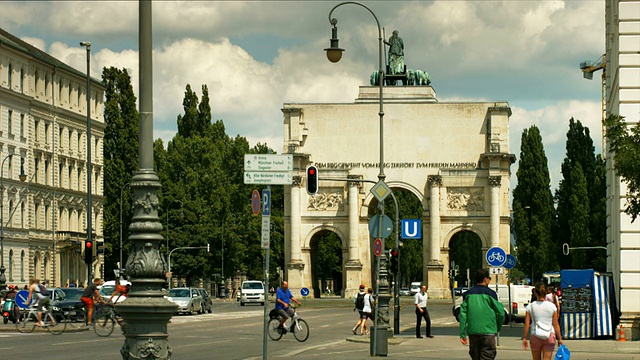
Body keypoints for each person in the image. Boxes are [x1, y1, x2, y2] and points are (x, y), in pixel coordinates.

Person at [459, 268, 505, 360]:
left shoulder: (467, 295)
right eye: (489, 278)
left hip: (473, 331)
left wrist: (462, 333)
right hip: (488, 332)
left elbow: (463, 315)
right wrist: (497, 327)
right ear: (485, 279)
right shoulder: (492, 294)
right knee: (487, 356)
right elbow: (501, 313)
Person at [522, 283, 562, 360]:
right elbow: (555, 324)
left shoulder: (530, 306)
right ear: (546, 293)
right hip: (549, 335)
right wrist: (559, 338)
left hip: (535, 335)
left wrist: (524, 337)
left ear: (535, 293)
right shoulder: (552, 306)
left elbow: (527, 324)